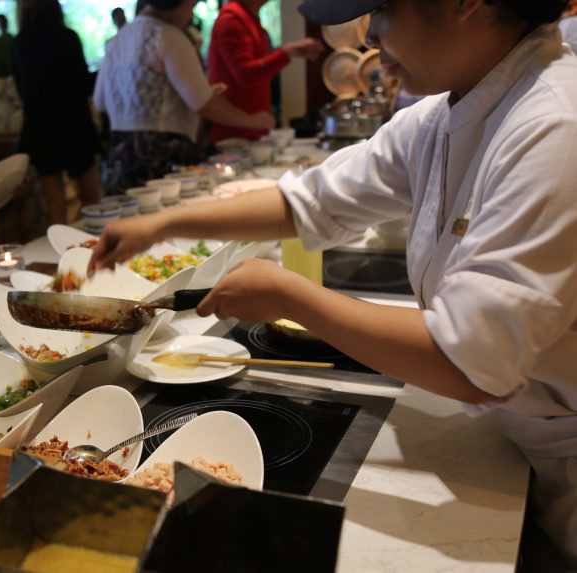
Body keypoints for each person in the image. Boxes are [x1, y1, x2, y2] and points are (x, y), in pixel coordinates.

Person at [90, 0, 577, 565]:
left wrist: (290, 294)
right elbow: (310, 201)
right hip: (521, 441)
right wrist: (161, 223)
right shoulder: (444, 116)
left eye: (383, 11)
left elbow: (469, 365)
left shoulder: (554, 125)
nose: (368, 40)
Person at [93, 0, 275, 196]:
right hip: (162, 154)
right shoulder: (168, 36)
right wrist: (253, 121)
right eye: (191, 7)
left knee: (130, 222)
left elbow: (100, 101)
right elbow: (203, 102)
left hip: (122, 155)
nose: (190, 16)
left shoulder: (117, 40)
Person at [12, 0, 102, 225]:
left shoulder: (19, 43)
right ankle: (98, 253)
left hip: (40, 131)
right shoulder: (67, 37)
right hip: (74, 127)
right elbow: (83, 85)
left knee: (55, 207)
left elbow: (24, 94)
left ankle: (62, 256)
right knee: (92, 200)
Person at [207, 0, 324, 143]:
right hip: (233, 138)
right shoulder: (231, 19)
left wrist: (288, 53)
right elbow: (245, 75)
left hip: (246, 134)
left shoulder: (246, 17)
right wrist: (287, 52)